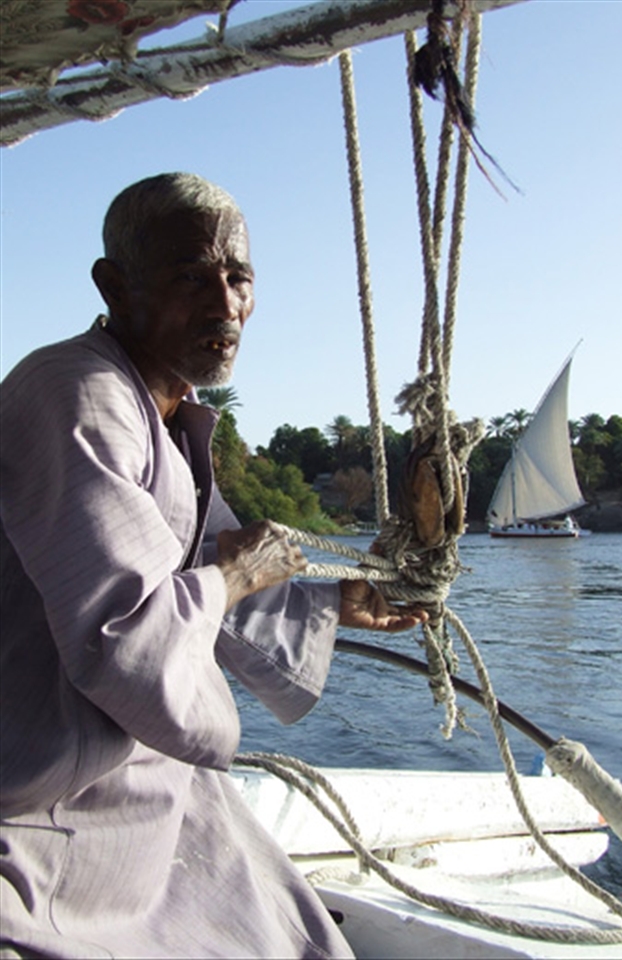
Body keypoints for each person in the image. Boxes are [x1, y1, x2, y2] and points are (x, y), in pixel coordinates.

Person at [0, 172, 427, 959]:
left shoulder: (161, 413)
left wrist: (335, 604)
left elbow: (203, 556)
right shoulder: (78, 396)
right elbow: (125, 633)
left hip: (134, 779)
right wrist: (237, 577)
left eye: (239, 279)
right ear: (115, 286)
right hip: (41, 797)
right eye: (192, 276)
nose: (225, 303)